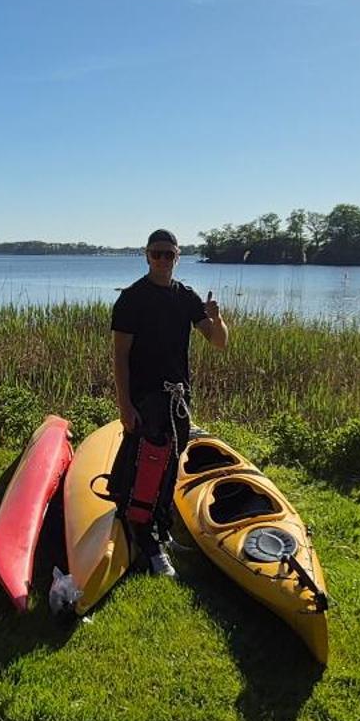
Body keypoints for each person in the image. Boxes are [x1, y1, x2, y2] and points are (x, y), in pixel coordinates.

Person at [108, 228, 228, 575]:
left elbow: (218, 342)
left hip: (178, 398)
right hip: (146, 398)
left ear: (178, 257)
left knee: (170, 464)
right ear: (146, 255)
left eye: (168, 254)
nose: (162, 260)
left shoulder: (186, 297)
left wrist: (217, 318)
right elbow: (120, 357)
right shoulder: (131, 299)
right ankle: (148, 542)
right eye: (156, 253)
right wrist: (124, 405)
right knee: (145, 465)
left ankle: (159, 525)